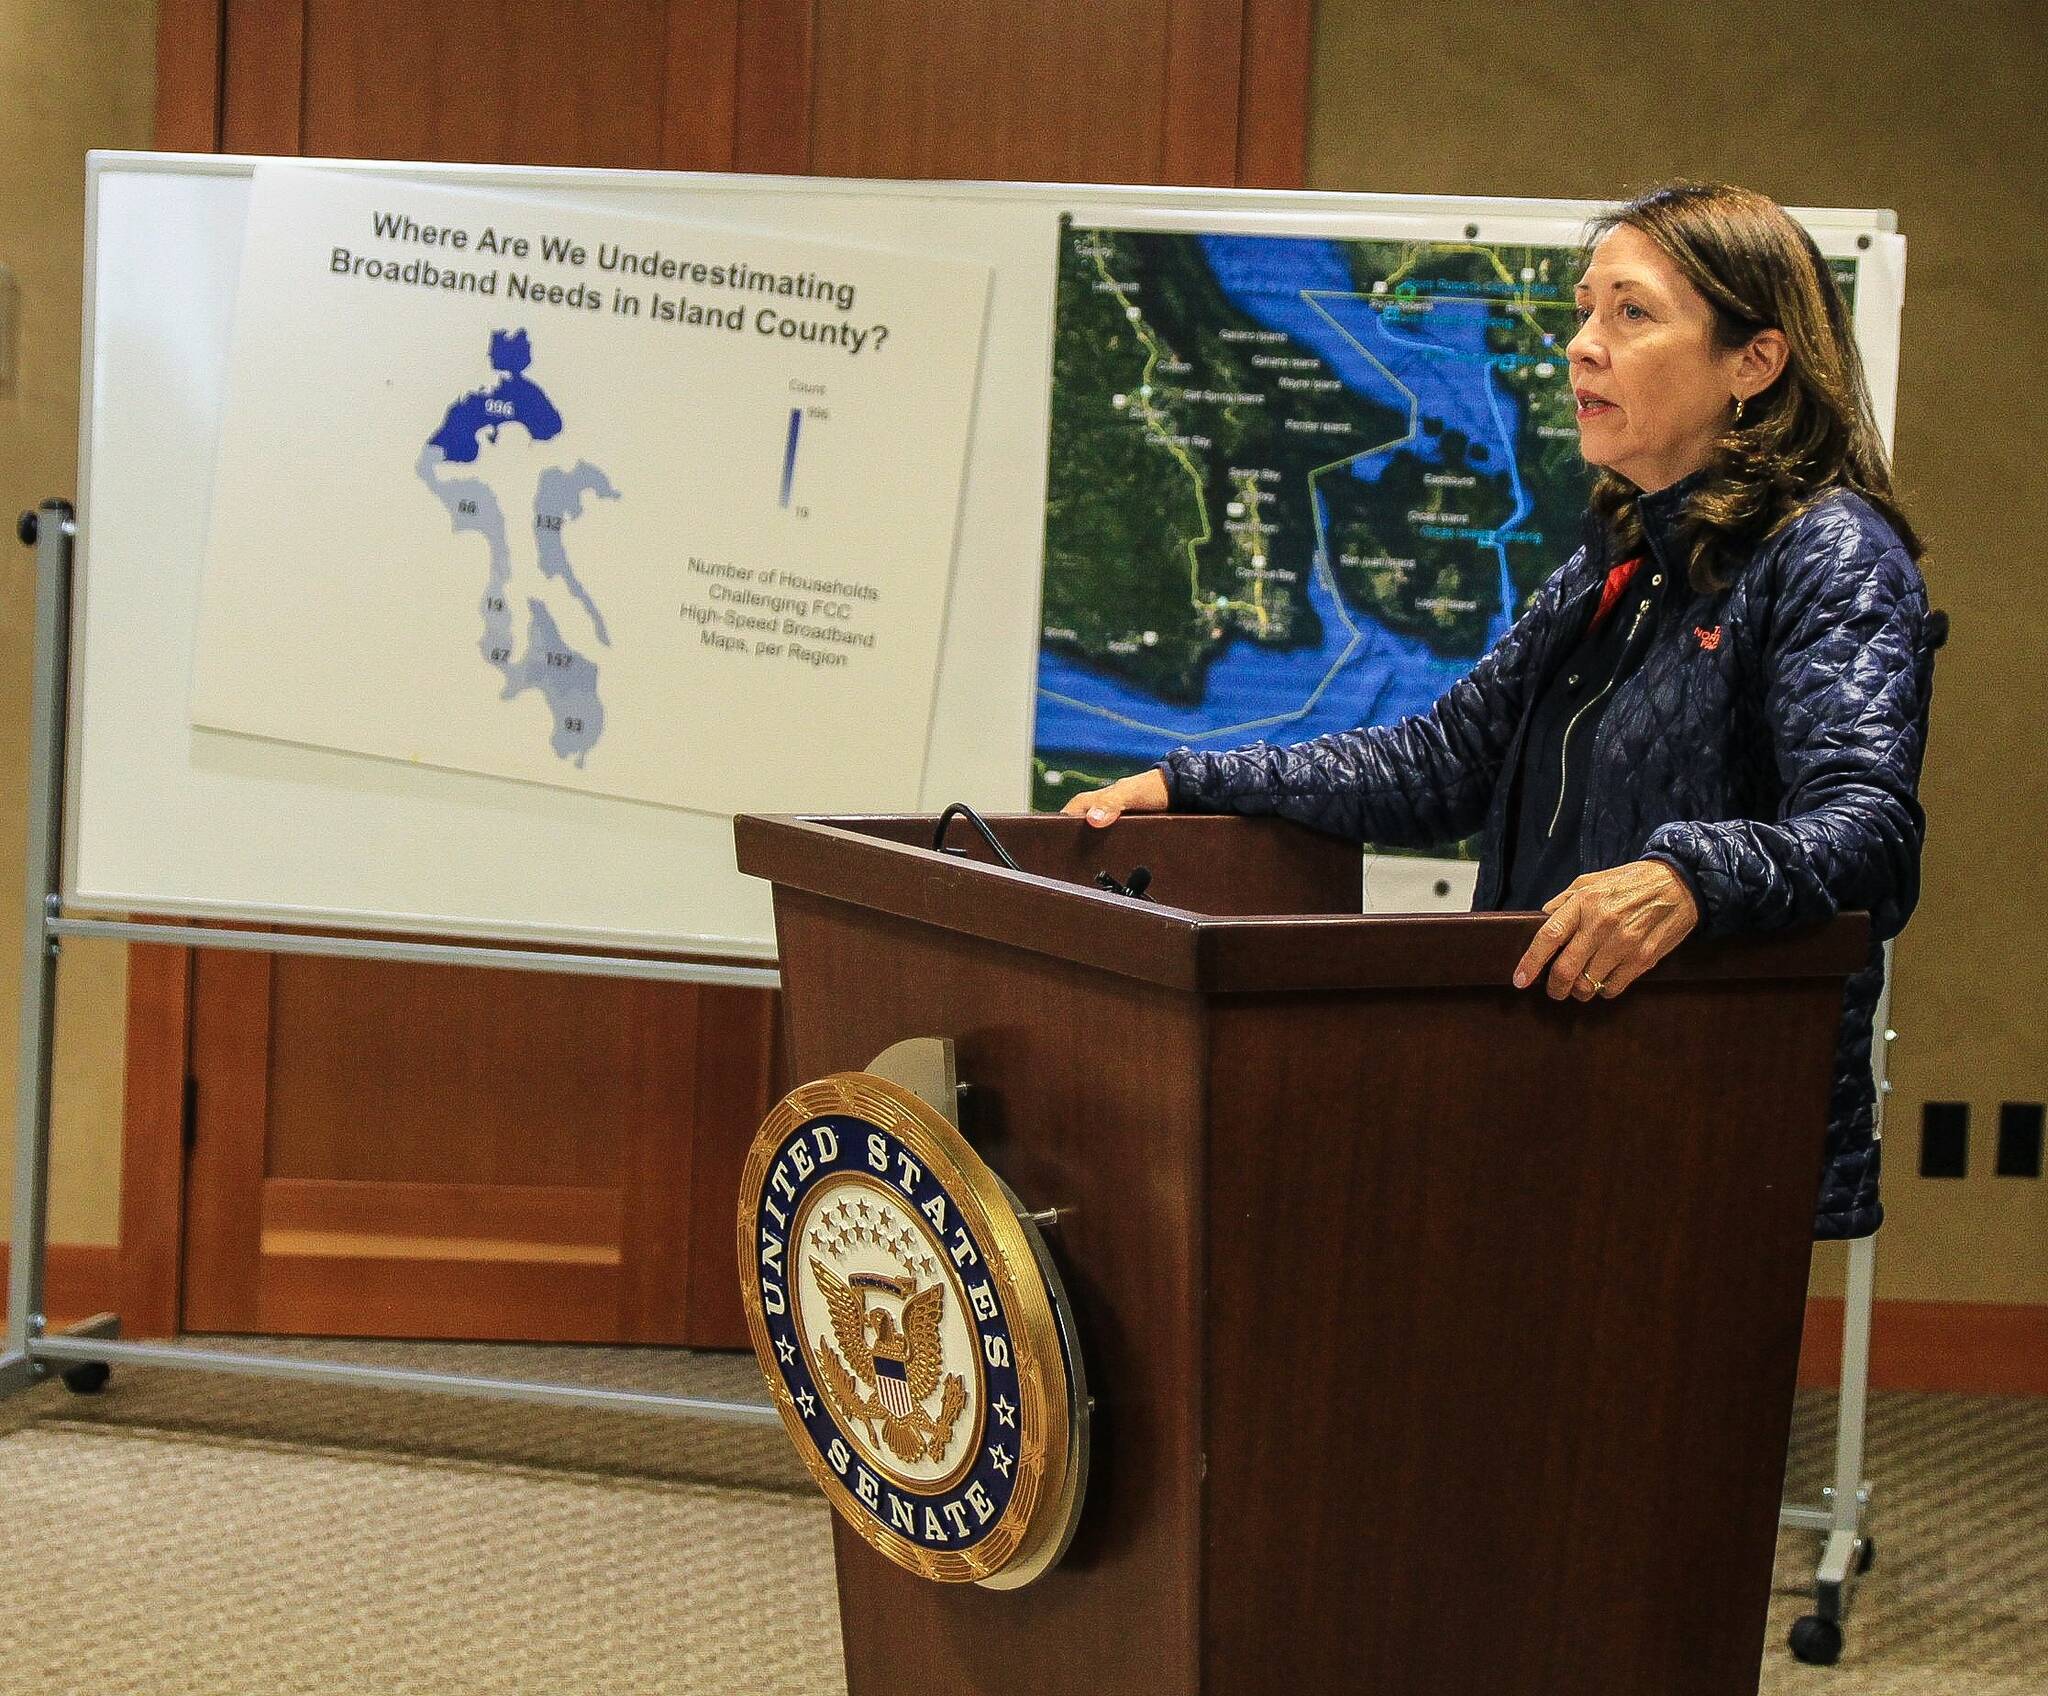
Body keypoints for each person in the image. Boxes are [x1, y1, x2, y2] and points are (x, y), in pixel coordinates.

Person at [1063, 182, 1939, 1239]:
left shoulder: (1828, 553)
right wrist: (1192, 779)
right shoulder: (1619, 548)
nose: (1579, 345)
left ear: (1752, 363)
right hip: (1549, 1086)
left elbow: (1866, 835)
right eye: (1582, 310)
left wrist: (1686, 874)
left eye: (1630, 313)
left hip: (1703, 1120)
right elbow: (1443, 761)